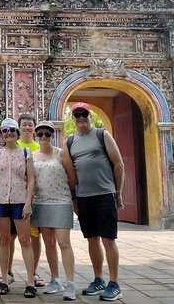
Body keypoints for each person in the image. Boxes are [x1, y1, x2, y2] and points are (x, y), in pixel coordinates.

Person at [63, 102, 125, 302]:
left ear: (90, 116)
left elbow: (119, 164)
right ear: (73, 118)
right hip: (84, 196)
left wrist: (119, 192)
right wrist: (74, 198)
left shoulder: (102, 135)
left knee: (108, 238)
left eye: (84, 114)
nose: (81, 118)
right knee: (91, 239)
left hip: (104, 194)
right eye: (77, 115)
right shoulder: (71, 141)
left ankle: (114, 283)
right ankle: (98, 279)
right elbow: (70, 173)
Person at [0, 118, 37, 298]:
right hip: (0, 200)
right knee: (4, 239)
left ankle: (30, 281)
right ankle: (4, 279)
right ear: (1, 134)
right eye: (5, 131)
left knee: (24, 240)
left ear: (17, 133)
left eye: (12, 131)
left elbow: (30, 179)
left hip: (20, 200)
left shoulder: (25, 153)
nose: (9, 133)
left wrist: (28, 203)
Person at [31, 121, 76, 300]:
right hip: (41, 202)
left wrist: (66, 195)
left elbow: (72, 178)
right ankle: (55, 279)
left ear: (52, 136)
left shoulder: (61, 154)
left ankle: (70, 282)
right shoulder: (31, 156)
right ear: (36, 136)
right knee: (48, 242)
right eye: (40, 134)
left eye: (47, 134)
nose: (44, 137)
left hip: (60, 201)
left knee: (64, 242)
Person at [12, 113, 46, 289]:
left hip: (35, 198)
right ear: (19, 127)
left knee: (34, 236)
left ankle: (33, 271)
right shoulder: (12, 144)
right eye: (24, 124)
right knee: (10, 236)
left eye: (30, 125)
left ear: (34, 128)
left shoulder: (39, 146)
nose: (27, 127)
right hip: (13, 197)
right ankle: (8, 271)